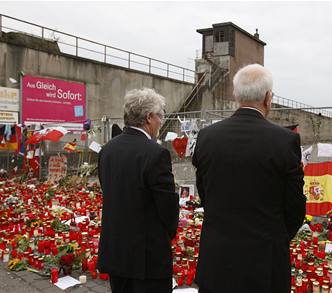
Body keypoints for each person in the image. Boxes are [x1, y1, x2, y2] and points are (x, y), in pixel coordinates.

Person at [192, 64, 306, 293]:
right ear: (268, 98)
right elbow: (295, 206)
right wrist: (274, 235)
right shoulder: (285, 141)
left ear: (236, 95)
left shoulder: (207, 137)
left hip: (217, 258)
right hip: (264, 261)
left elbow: (205, 193)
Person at [97, 88, 179, 293]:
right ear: (149, 118)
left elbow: (109, 191)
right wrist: (167, 234)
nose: (161, 121)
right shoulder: (156, 153)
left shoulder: (107, 150)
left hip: (116, 251)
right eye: (159, 116)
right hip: (147, 257)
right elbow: (167, 208)